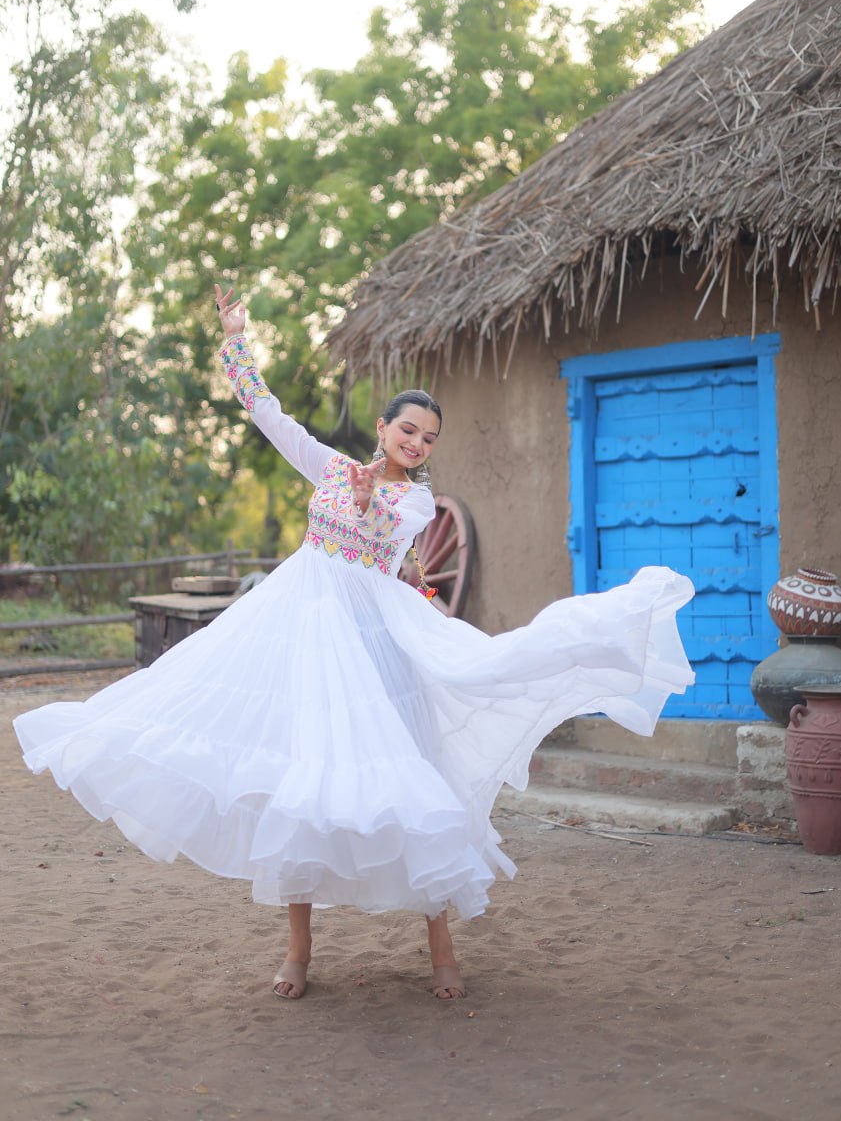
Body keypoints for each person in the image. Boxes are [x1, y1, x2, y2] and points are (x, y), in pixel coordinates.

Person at [14, 283, 695, 1002]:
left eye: (428, 438)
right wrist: (236, 337)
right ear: (382, 425)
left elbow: (384, 543)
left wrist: (372, 507)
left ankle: (441, 954)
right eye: (408, 431)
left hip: (369, 639)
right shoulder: (333, 468)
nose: (417, 443)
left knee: (409, 779)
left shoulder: (415, 498)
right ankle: (298, 956)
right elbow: (265, 413)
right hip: (302, 631)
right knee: (300, 786)